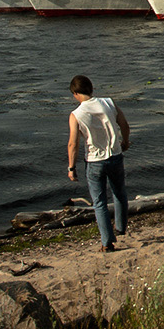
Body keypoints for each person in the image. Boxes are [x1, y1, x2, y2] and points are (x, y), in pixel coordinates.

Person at [67, 74, 132, 252]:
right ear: (91, 89)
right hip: (115, 155)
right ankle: (121, 227)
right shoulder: (109, 103)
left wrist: (72, 168)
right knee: (119, 193)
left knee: (99, 201)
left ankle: (107, 242)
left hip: (95, 160)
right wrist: (125, 142)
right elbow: (124, 124)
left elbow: (73, 143)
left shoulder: (76, 114)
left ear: (75, 94)